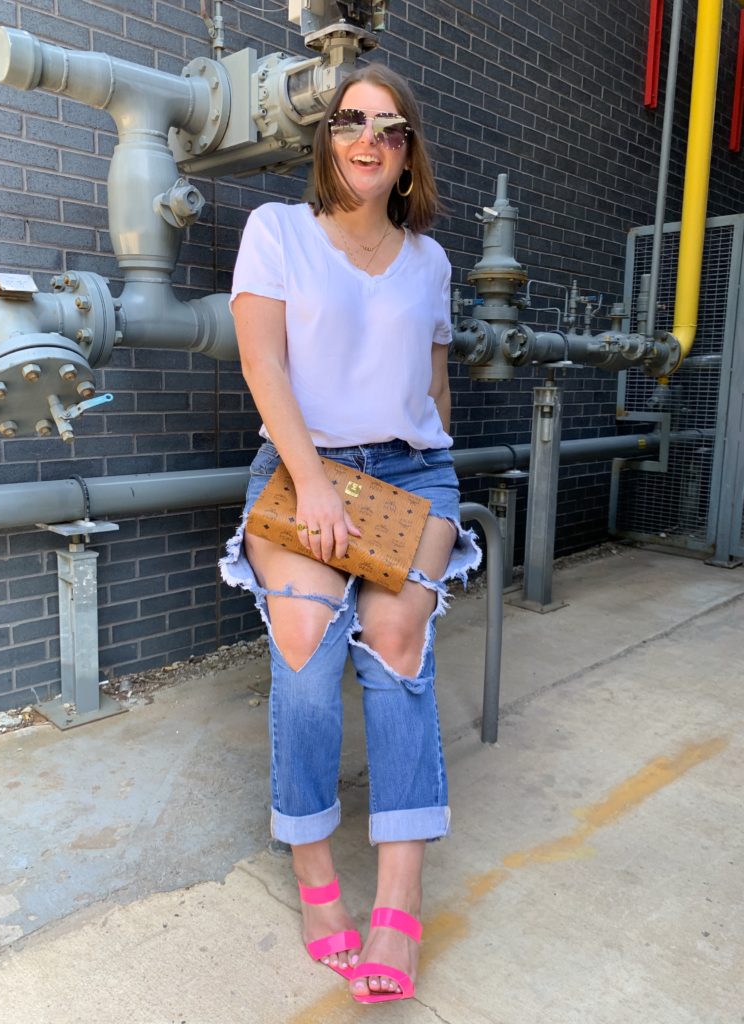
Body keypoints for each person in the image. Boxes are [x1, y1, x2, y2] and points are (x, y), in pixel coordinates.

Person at [220, 62, 480, 1004]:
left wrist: (432, 481)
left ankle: (400, 897)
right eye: (350, 121)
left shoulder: (433, 260)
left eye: (391, 126)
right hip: (300, 467)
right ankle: (317, 870)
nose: (368, 138)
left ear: (409, 154)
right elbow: (262, 363)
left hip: (413, 473)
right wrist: (320, 484)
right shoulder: (278, 232)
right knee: (305, 636)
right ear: (327, 139)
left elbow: (435, 387)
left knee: (398, 640)